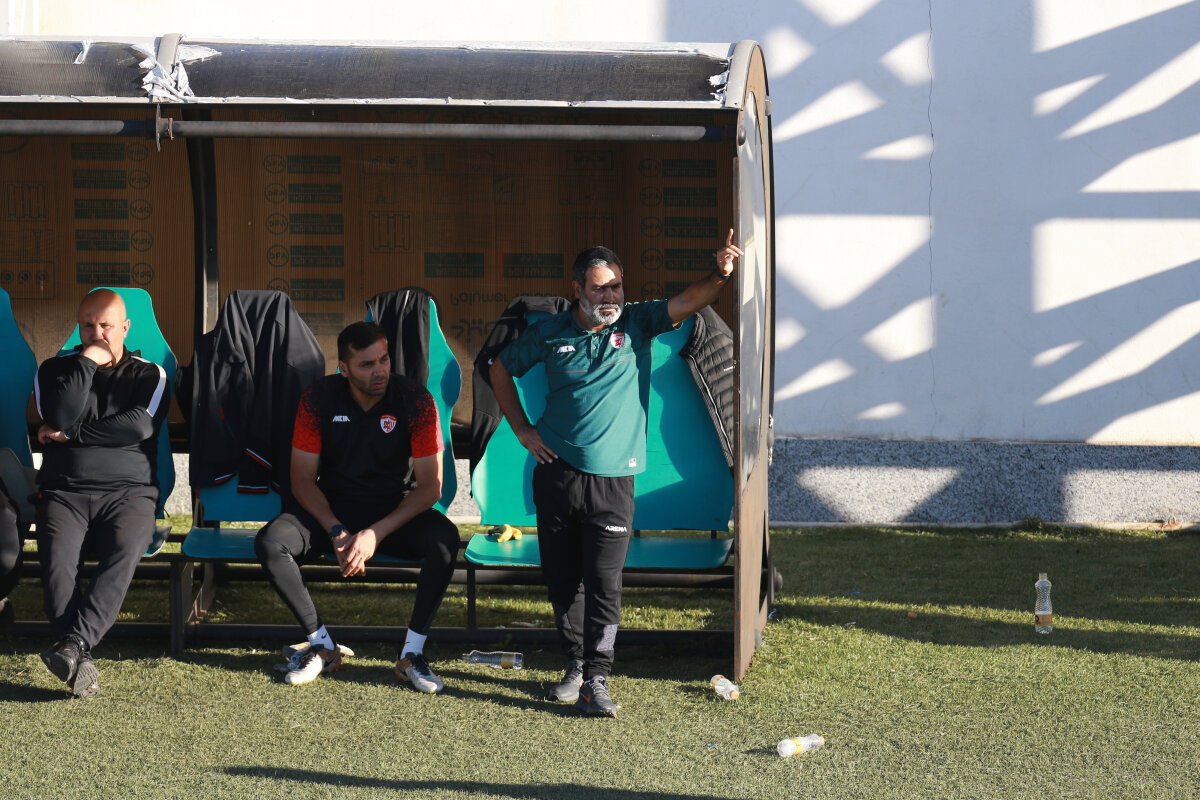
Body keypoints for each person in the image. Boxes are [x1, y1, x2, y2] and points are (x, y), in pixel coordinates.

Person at [490, 230, 743, 717]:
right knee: (563, 581)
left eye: (616, 286)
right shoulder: (550, 332)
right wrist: (522, 429)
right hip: (556, 474)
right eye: (599, 287)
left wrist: (720, 273)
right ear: (577, 289)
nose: (610, 296)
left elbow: (691, 300)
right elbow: (499, 368)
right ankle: (575, 665)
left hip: (613, 482)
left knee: (604, 583)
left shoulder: (638, 321)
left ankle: (598, 677)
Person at [255, 322, 460, 692]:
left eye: (384, 360)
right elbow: (302, 479)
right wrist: (336, 529)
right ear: (344, 369)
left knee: (445, 541)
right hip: (334, 509)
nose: (379, 370)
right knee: (271, 542)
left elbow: (431, 487)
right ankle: (322, 646)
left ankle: (412, 655)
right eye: (366, 364)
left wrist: (374, 534)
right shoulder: (318, 398)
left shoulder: (415, 400)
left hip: (393, 513)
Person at [34, 289, 169, 698]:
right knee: (57, 566)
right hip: (64, 491)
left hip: (129, 493)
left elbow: (139, 426)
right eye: (88, 326)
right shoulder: (55, 370)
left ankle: (73, 644)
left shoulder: (149, 374)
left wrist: (71, 435)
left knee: (124, 551)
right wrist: (87, 362)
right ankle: (80, 654)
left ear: (125, 327)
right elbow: (59, 413)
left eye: (106, 326)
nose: (97, 334)